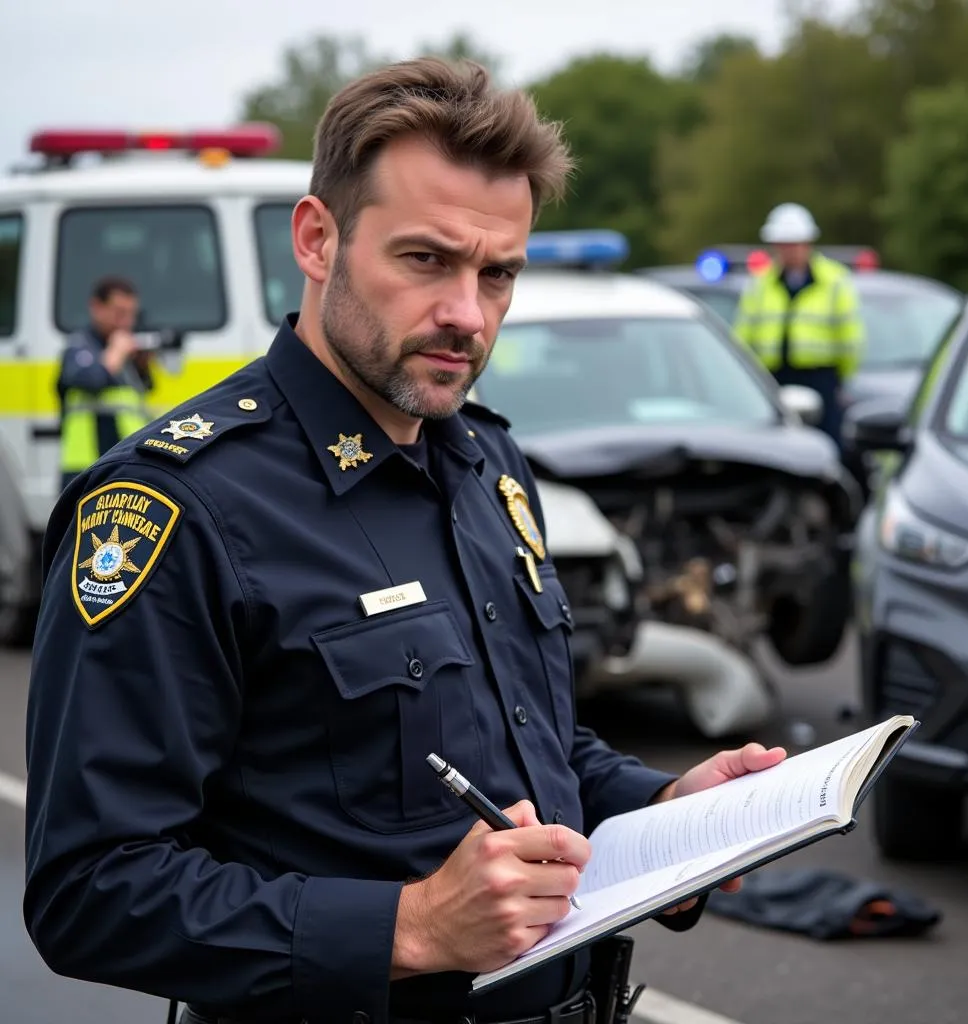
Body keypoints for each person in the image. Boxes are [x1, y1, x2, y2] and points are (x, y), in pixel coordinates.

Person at [23, 58, 787, 1024]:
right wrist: (411, 926)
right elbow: (89, 890)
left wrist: (663, 806)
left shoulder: (488, 464)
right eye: (426, 260)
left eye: (498, 273)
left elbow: (526, 748)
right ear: (317, 239)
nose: (468, 315)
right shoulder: (177, 508)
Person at [733, 203, 865, 448]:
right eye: (783, 244)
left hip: (820, 377)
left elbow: (850, 339)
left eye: (794, 244)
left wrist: (840, 380)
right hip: (771, 378)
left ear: (808, 243)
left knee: (827, 444)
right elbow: (743, 337)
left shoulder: (834, 281)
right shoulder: (759, 283)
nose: (789, 251)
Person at [56, 275, 154, 490]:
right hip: (84, 468)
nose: (126, 322)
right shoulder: (80, 347)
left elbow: (141, 396)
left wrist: (141, 366)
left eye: (131, 314)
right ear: (96, 307)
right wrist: (116, 353)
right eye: (119, 313)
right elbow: (90, 380)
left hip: (124, 463)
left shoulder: (122, 350)